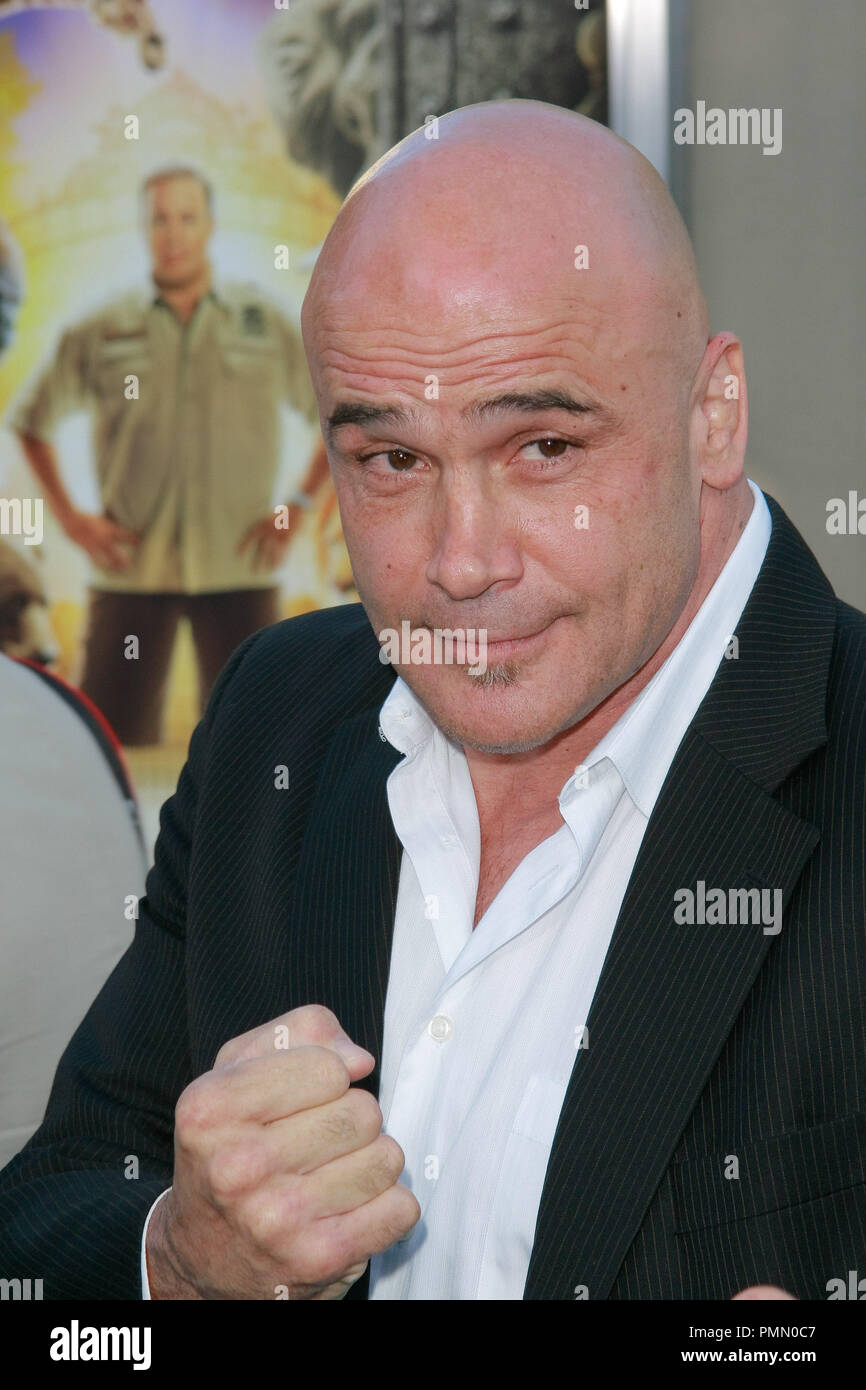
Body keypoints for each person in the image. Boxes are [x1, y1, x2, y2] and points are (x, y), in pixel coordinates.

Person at [1, 101, 864, 1301]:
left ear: (710, 415)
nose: (460, 560)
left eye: (542, 448)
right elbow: (47, 1222)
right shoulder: (281, 716)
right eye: (392, 460)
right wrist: (179, 1261)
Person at [8, 166, 323, 744]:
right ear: (143, 228)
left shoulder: (263, 322)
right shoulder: (101, 327)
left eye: (186, 217)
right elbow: (31, 421)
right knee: (109, 744)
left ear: (210, 226)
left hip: (241, 571)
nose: (172, 234)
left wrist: (297, 505)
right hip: (131, 574)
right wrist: (75, 522)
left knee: (253, 746)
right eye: (159, 219)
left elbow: (333, 414)